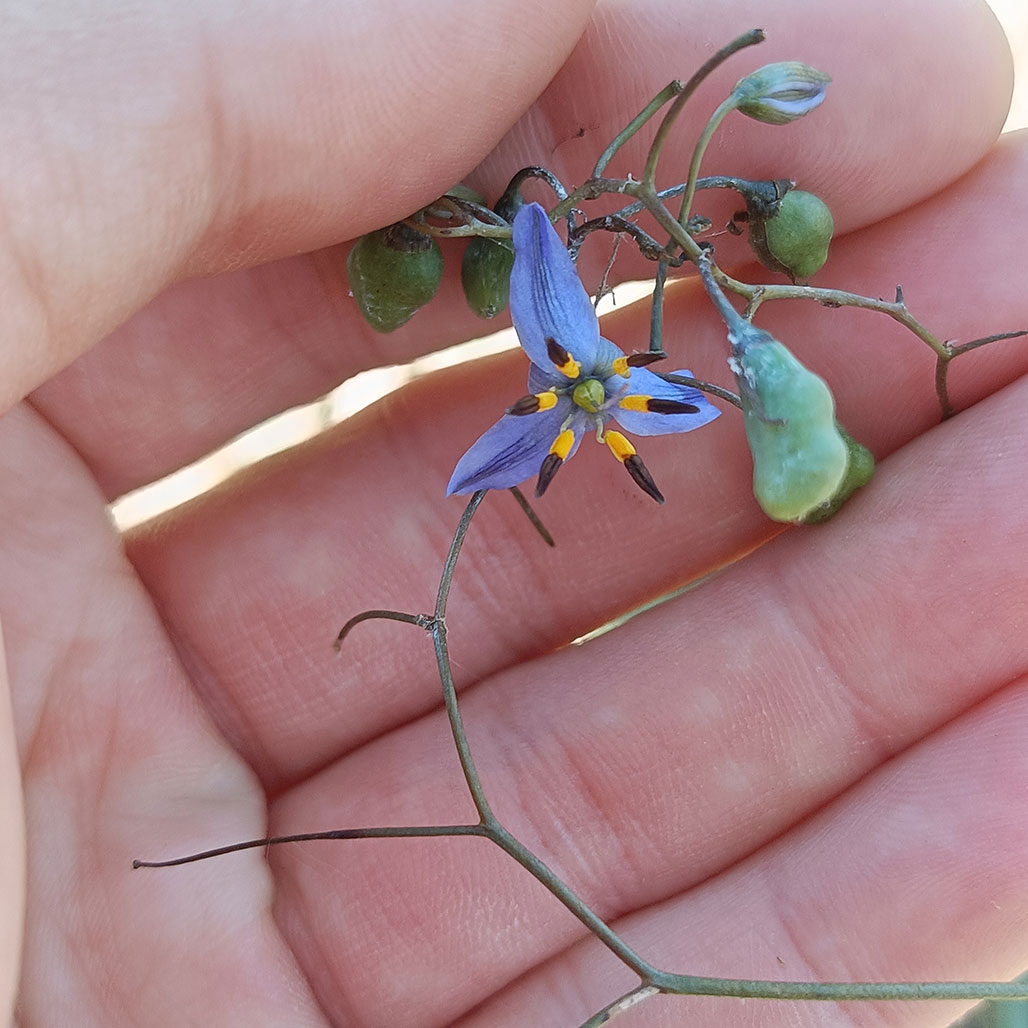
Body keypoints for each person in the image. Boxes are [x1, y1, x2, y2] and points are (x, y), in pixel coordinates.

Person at [1, 1, 1025, 1025]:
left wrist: (629, 381)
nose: (588, 395)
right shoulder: (574, 373)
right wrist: (598, 369)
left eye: (592, 388)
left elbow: (614, 355)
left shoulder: (594, 381)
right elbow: (550, 293)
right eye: (582, 387)